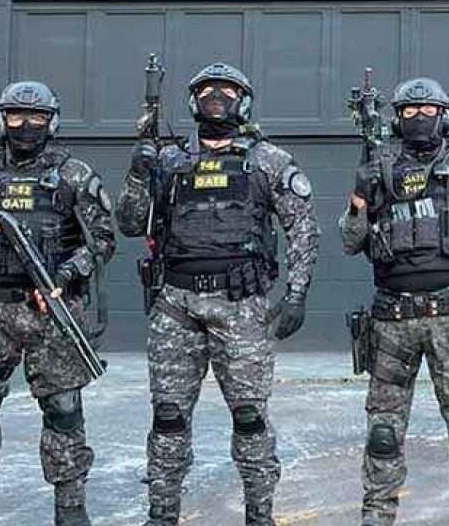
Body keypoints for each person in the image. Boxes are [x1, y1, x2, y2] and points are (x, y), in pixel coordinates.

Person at [116, 62, 320, 526]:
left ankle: (259, 515)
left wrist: (296, 293)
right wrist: (136, 171)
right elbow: (129, 223)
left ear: (243, 100)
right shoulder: (170, 160)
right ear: (191, 102)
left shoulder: (268, 161)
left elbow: (303, 227)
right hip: (175, 307)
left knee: (250, 417)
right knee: (168, 418)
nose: (215, 96)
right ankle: (161, 515)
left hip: (241, 308)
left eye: (226, 90)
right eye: (206, 89)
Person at [0, 81, 115, 526]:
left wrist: (66, 275)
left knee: (64, 410)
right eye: (16, 116)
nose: (26, 125)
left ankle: (71, 510)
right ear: (2, 120)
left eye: (36, 117)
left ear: (51, 122)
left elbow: (103, 242)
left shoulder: (75, 176)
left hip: (50, 309)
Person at [339, 77, 449, 526]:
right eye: (410, 112)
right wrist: (360, 197)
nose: (419, 119)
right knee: (382, 431)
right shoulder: (377, 172)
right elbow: (349, 241)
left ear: (446, 116)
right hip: (391, 319)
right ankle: (377, 518)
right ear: (397, 120)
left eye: (428, 111)